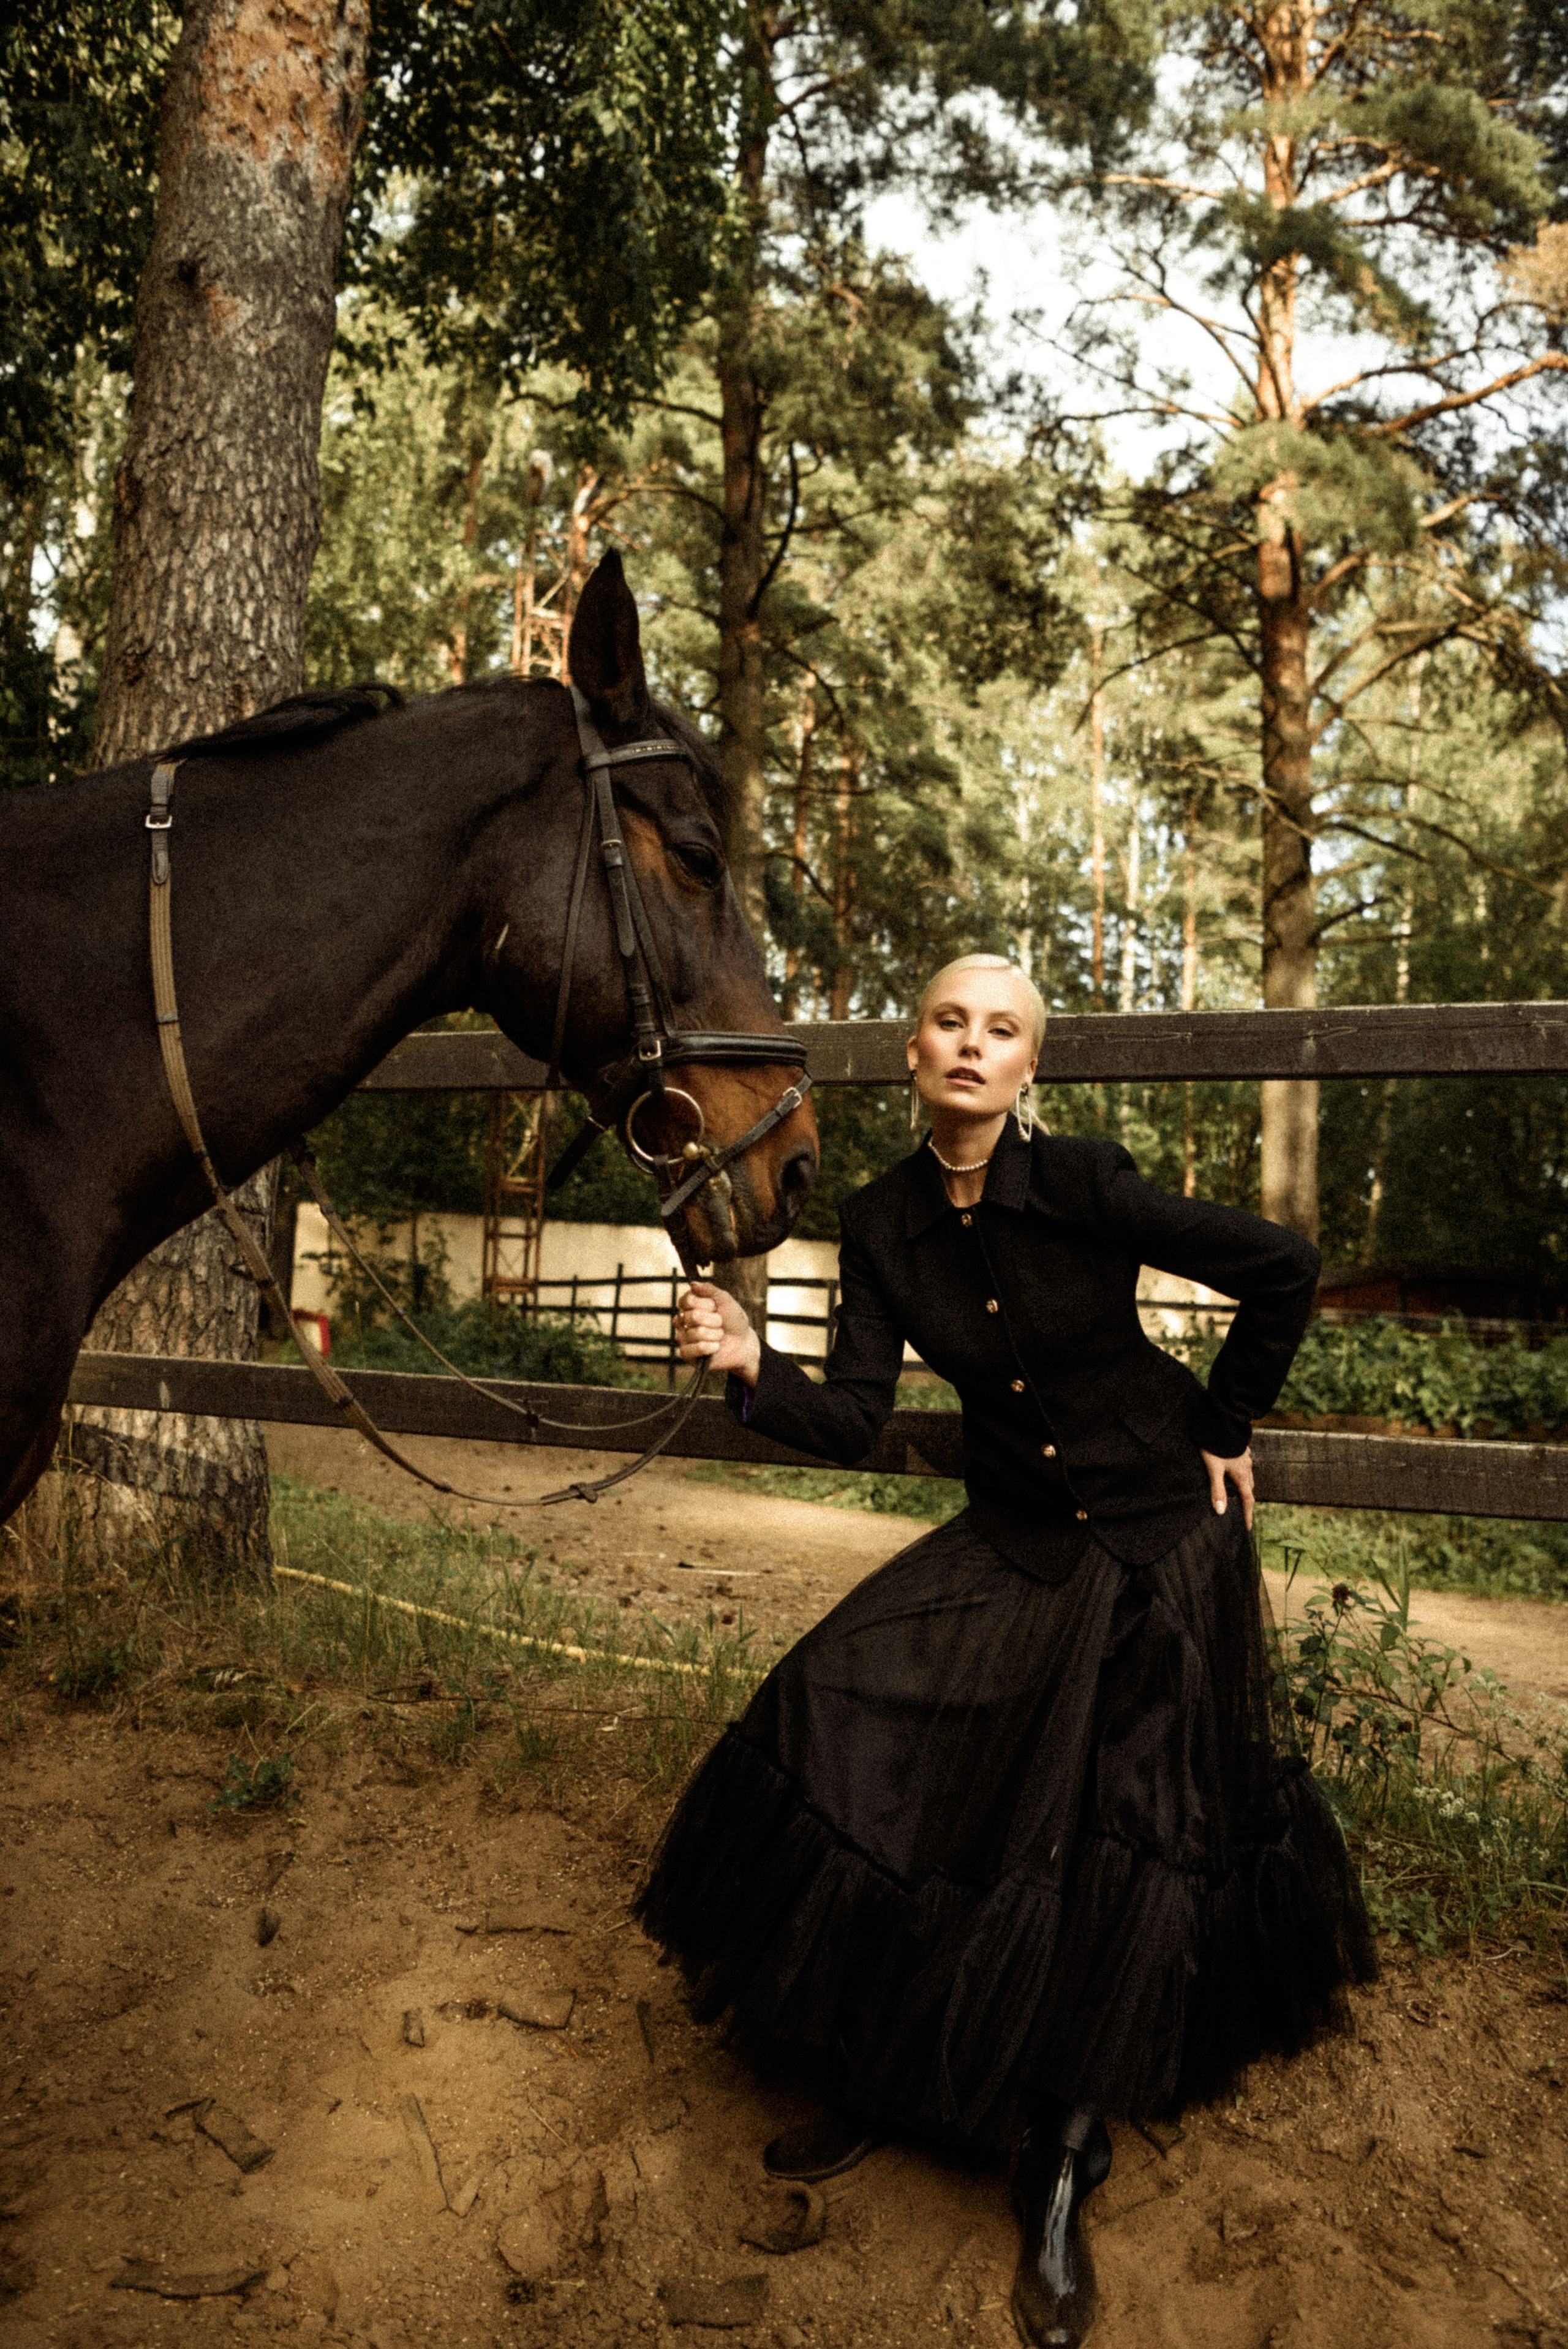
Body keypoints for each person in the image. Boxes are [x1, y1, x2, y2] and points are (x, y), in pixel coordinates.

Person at [634, 954, 1375, 2348]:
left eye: (1002, 1030)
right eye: (946, 1022)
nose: (970, 1045)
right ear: (910, 1052)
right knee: (841, 1701)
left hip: (1160, 1540)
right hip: (1020, 1537)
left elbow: (1281, 1268)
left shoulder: (1084, 1181)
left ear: (1029, 1067)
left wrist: (1222, 1421)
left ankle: (1055, 2157)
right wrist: (750, 1360)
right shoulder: (880, 1223)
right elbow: (855, 1417)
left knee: (1114, 1828)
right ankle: (890, 2067)